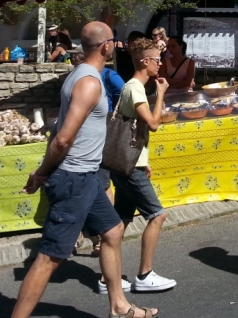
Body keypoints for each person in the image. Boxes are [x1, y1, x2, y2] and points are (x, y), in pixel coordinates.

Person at [11, 21, 159, 318]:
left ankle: (119, 306)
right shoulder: (89, 82)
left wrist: (43, 170)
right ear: (105, 46)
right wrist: (43, 172)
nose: (115, 45)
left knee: (113, 230)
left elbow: (60, 129)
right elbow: (63, 138)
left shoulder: (79, 74)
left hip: (87, 176)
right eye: (113, 41)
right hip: (73, 177)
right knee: (50, 257)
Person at [105, 38, 177, 294]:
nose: (160, 64)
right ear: (145, 61)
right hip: (129, 167)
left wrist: (144, 161)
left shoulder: (132, 87)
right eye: (157, 59)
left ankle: (106, 278)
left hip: (128, 163)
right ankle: (145, 275)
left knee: (121, 221)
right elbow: (153, 123)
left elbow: (134, 129)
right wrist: (161, 94)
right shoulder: (135, 88)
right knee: (157, 215)